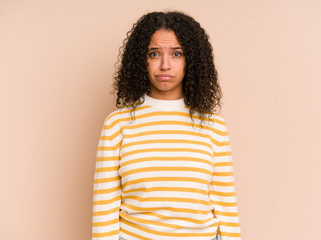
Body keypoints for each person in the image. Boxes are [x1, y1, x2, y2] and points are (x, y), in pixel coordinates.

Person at [92, 11, 241, 240]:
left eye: (177, 54)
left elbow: (225, 205)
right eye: (154, 53)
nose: (165, 65)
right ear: (141, 60)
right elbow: (105, 207)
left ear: (191, 59)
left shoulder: (214, 126)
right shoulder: (117, 125)